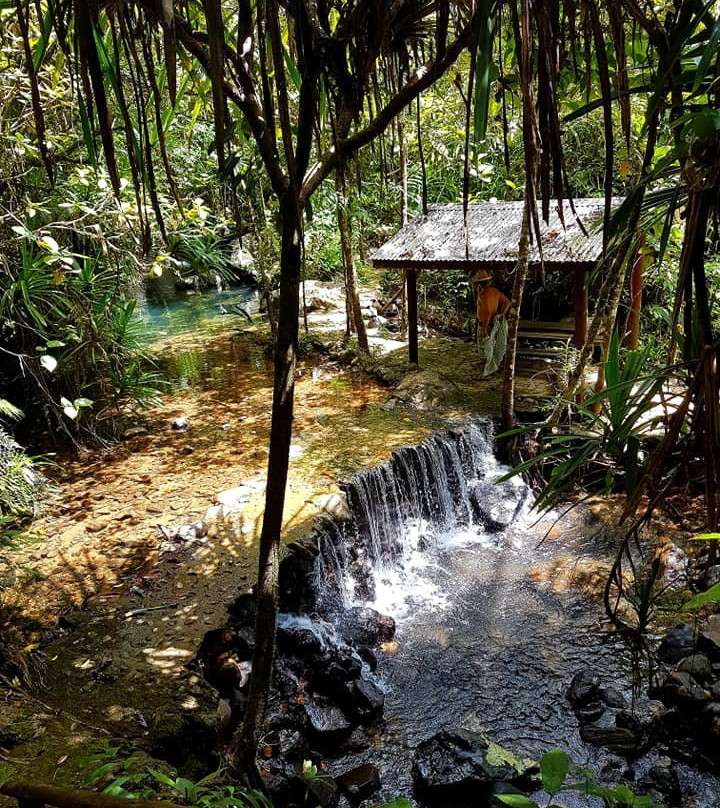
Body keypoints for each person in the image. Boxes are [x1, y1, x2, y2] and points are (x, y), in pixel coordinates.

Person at [473, 270, 511, 338]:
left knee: (485, 347)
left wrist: (484, 329)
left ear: (479, 284)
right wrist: (501, 315)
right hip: (494, 322)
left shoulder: (483, 295)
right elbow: (507, 302)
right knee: (492, 346)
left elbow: (488, 311)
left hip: (486, 324)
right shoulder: (495, 291)